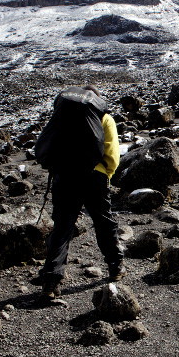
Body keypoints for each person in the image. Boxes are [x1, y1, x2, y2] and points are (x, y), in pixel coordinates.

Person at [35, 84, 125, 299]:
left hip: (64, 175)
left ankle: (51, 282)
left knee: (62, 228)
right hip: (94, 176)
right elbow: (112, 153)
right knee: (104, 222)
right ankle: (115, 267)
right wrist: (106, 174)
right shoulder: (104, 117)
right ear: (96, 100)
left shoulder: (62, 115)